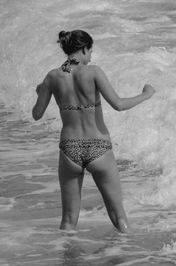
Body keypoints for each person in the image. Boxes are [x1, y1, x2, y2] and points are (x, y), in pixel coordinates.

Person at [32, 30, 155, 233]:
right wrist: (146, 95)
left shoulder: (52, 77)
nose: (91, 56)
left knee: (69, 221)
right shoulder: (94, 72)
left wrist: (41, 91)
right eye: (90, 51)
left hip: (69, 149)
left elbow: (37, 114)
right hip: (99, 147)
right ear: (83, 49)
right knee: (118, 217)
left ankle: (67, 262)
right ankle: (128, 258)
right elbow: (119, 105)